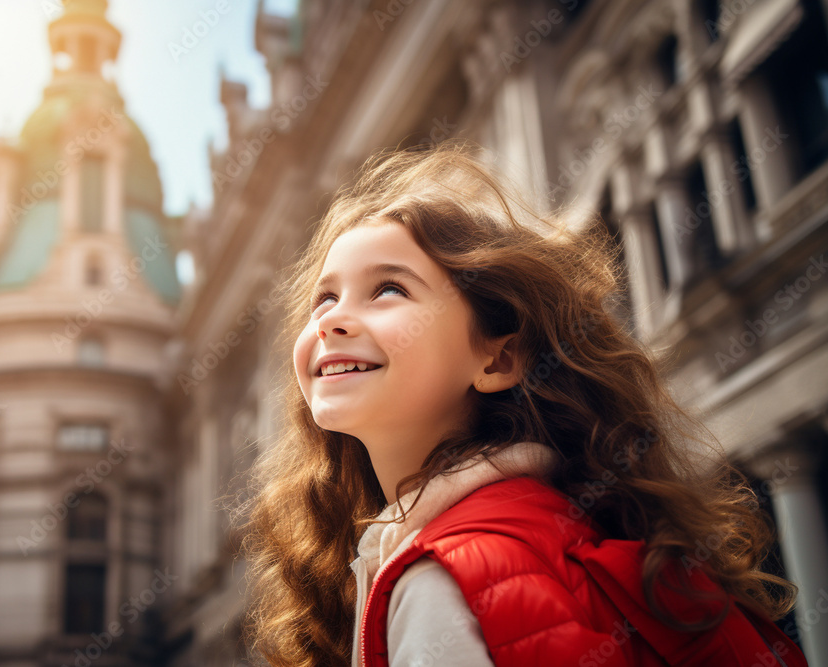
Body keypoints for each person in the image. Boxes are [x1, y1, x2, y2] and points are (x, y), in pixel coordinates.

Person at [231, 139, 807, 667]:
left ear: (498, 360)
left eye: (389, 289)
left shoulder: (443, 578)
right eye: (324, 298)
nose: (332, 318)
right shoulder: (542, 528)